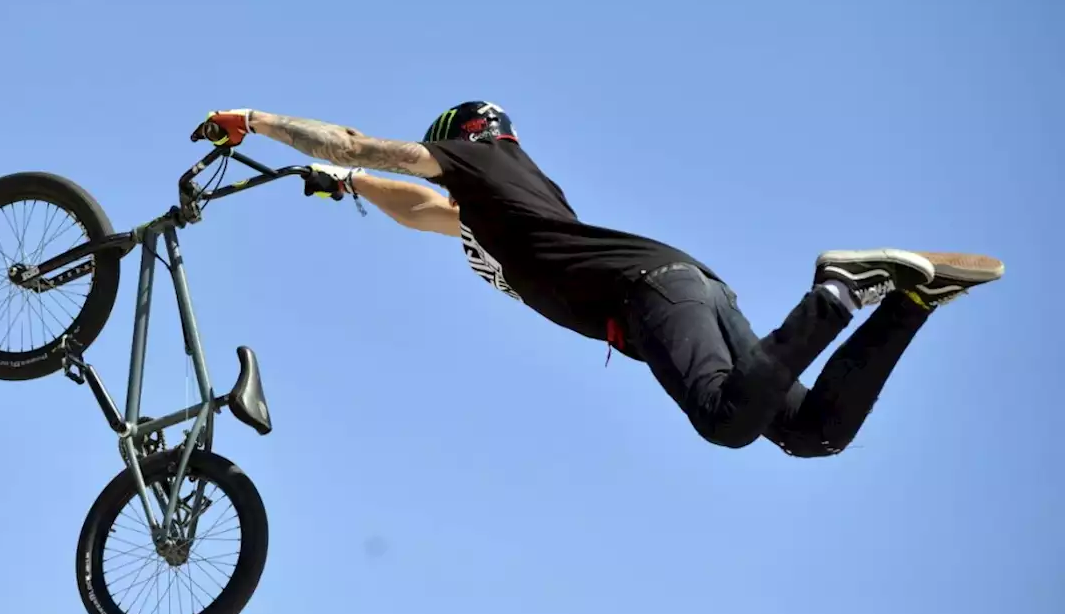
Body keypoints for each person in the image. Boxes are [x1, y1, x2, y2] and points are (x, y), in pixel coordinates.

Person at [191, 102, 1004, 458]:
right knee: (809, 433)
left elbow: (368, 145)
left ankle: (836, 292)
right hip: (688, 292)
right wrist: (348, 185)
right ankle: (910, 300)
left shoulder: (485, 161)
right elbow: (421, 209)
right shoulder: (505, 209)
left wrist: (261, 123)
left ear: (463, 141)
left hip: (652, 298)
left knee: (726, 423)